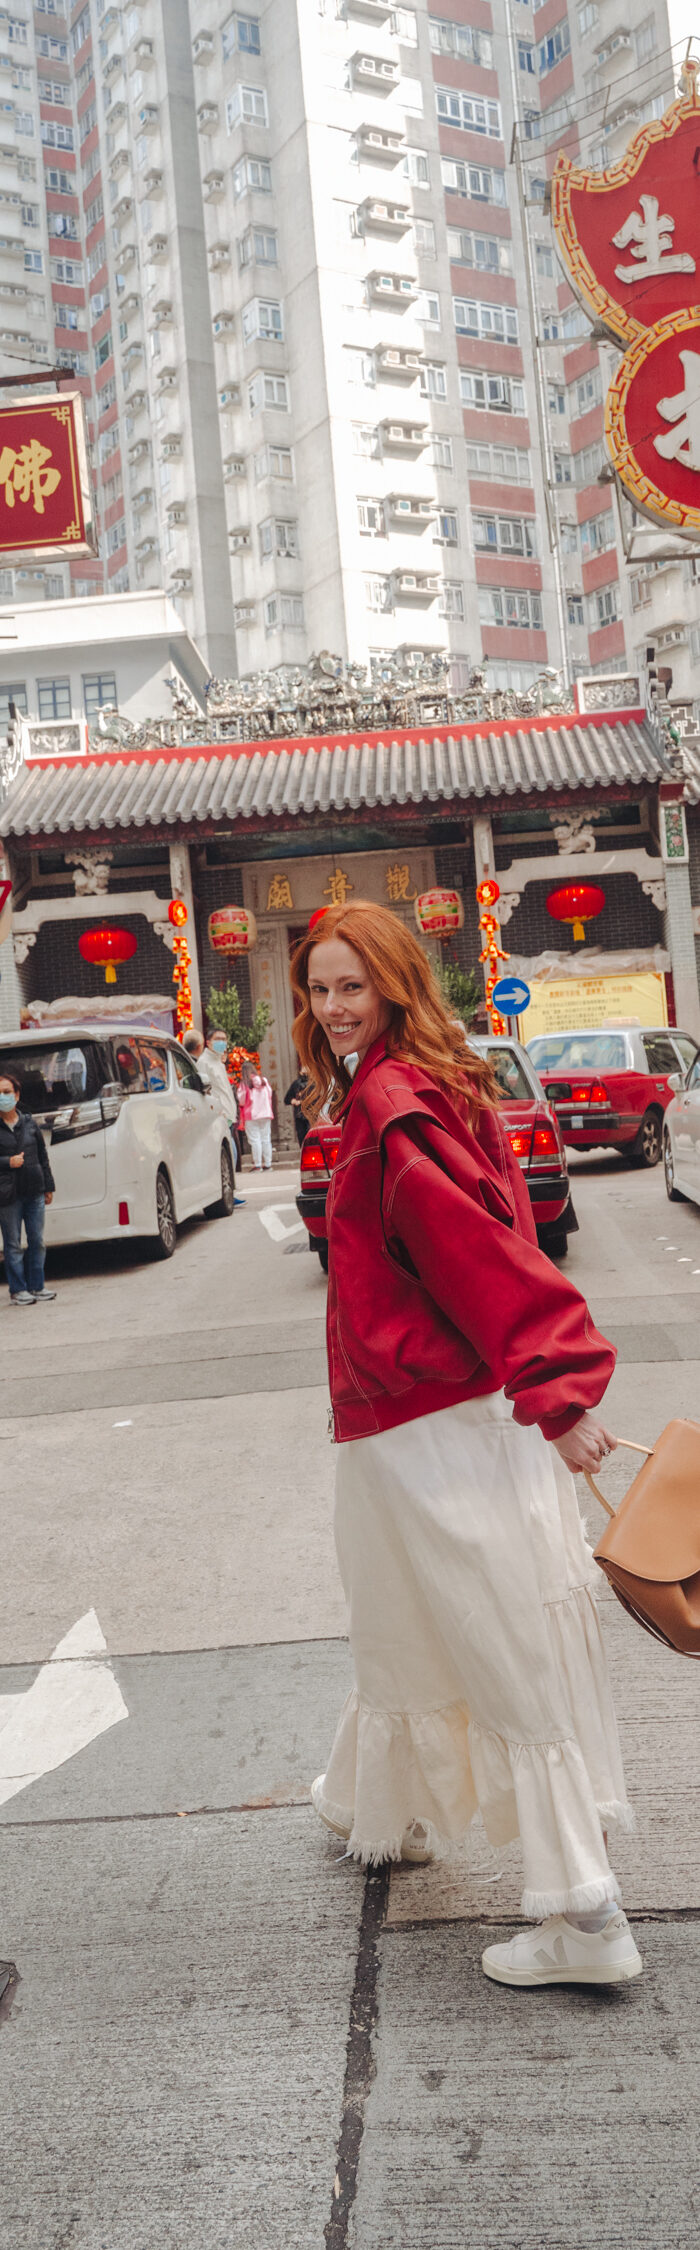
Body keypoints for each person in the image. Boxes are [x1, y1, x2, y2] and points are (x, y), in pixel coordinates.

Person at [289, 901, 642, 1993]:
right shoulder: (422, 1082)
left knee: (492, 1641)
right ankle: (372, 1809)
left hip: (426, 1419)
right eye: (318, 988)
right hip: (439, 1410)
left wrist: (557, 1386)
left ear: (394, 984)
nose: (333, 1008)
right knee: (405, 1609)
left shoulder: (390, 1105)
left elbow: (478, 1255)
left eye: (352, 986)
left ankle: (586, 1918)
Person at [0, 1069, 57, 1306]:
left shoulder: (29, 1122)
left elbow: (43, 1156)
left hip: (34, 1191)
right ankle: (18, 1290)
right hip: (8, 1196)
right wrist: (7, 1162)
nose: (3, 1097)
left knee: (37, 1241)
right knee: (13, 1244)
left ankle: (37, 1286)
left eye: (6, 1092)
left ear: (16, 1094)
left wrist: (48, 1186)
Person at [182, 1027, 245, 1205]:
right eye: (218, 1039)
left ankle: (228, 1192)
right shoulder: (204, 1063)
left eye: (224, 1039)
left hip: (228, 1115)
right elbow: (206, 1090)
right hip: (219, 1115)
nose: (222, 1042)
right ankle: (226, 1194)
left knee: (230, 1154)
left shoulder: (218, 1062)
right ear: (208, 1043)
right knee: (229, 1153)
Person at [239, 1066, 274, 1171]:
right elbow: (270, 1094)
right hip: (265, 1113)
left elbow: (241, 1100)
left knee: (255, 1140)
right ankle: (268, 1164)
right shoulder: (264, 1081)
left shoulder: (244, 1084)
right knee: (266, 1139)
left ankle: (258, 1165)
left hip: (251, 1115)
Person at [284, 1070, 310, 1149]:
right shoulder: (296, 1084)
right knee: (301, 1134)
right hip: (299, 1114)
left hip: (311, 1114)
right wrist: (293, 1101)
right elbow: (287, 1099)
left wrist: (304, 1101)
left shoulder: (314, 1082)